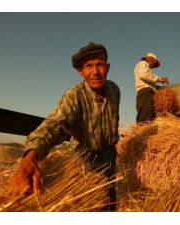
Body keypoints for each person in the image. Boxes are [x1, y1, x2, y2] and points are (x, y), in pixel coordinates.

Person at [9, 42, 120, 211]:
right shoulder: (74, 95)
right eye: (88, 66)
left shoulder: (114, 90)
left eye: (99, 65)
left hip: (110, 156)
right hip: (86, 162)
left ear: (108, 68)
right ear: (80, 72)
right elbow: (54, 124)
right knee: (92, 208)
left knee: (111, 202)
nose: (95, 72)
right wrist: (30, 157)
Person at [134, 52, 169, 123]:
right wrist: (159, 79)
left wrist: (160, 87)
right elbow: (143, 75)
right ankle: (143, 132)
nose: (153, 66)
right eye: (154, 63)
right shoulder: (143, 63)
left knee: (148, 115)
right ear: (150, 58)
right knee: (145, 117)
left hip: (145, 92)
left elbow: (149, 82)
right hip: (145, 92)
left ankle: (144, 131)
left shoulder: (145, 66)